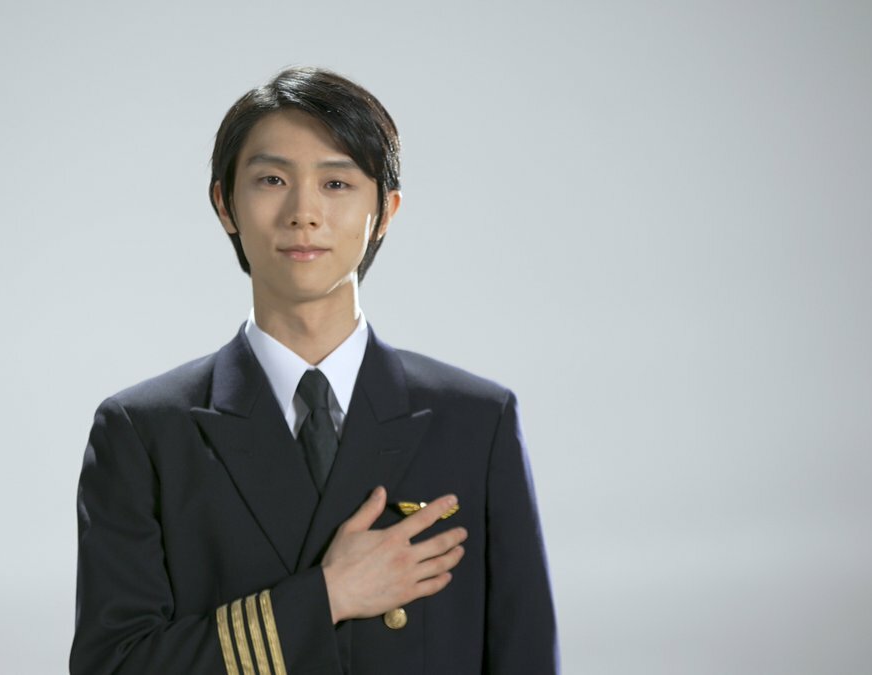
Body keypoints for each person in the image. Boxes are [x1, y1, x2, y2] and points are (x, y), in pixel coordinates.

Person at [70, 66, 557, 674]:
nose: (304, 212)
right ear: (225, 203)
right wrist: (328, 596)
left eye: (336, 182)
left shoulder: (477, 421)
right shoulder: (142, 432)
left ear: (385, 210)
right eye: (272, 179)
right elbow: (112, 667)